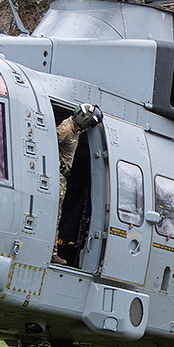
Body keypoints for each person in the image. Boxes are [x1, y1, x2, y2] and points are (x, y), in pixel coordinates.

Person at [52, 103, 101, 265]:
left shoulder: (75, 130)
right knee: (55, 214)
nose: (88, 127)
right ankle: (52, 252)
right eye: (89, 123)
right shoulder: (66, 130)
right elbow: (48, 142)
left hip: (63, 177)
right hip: (58, 176)